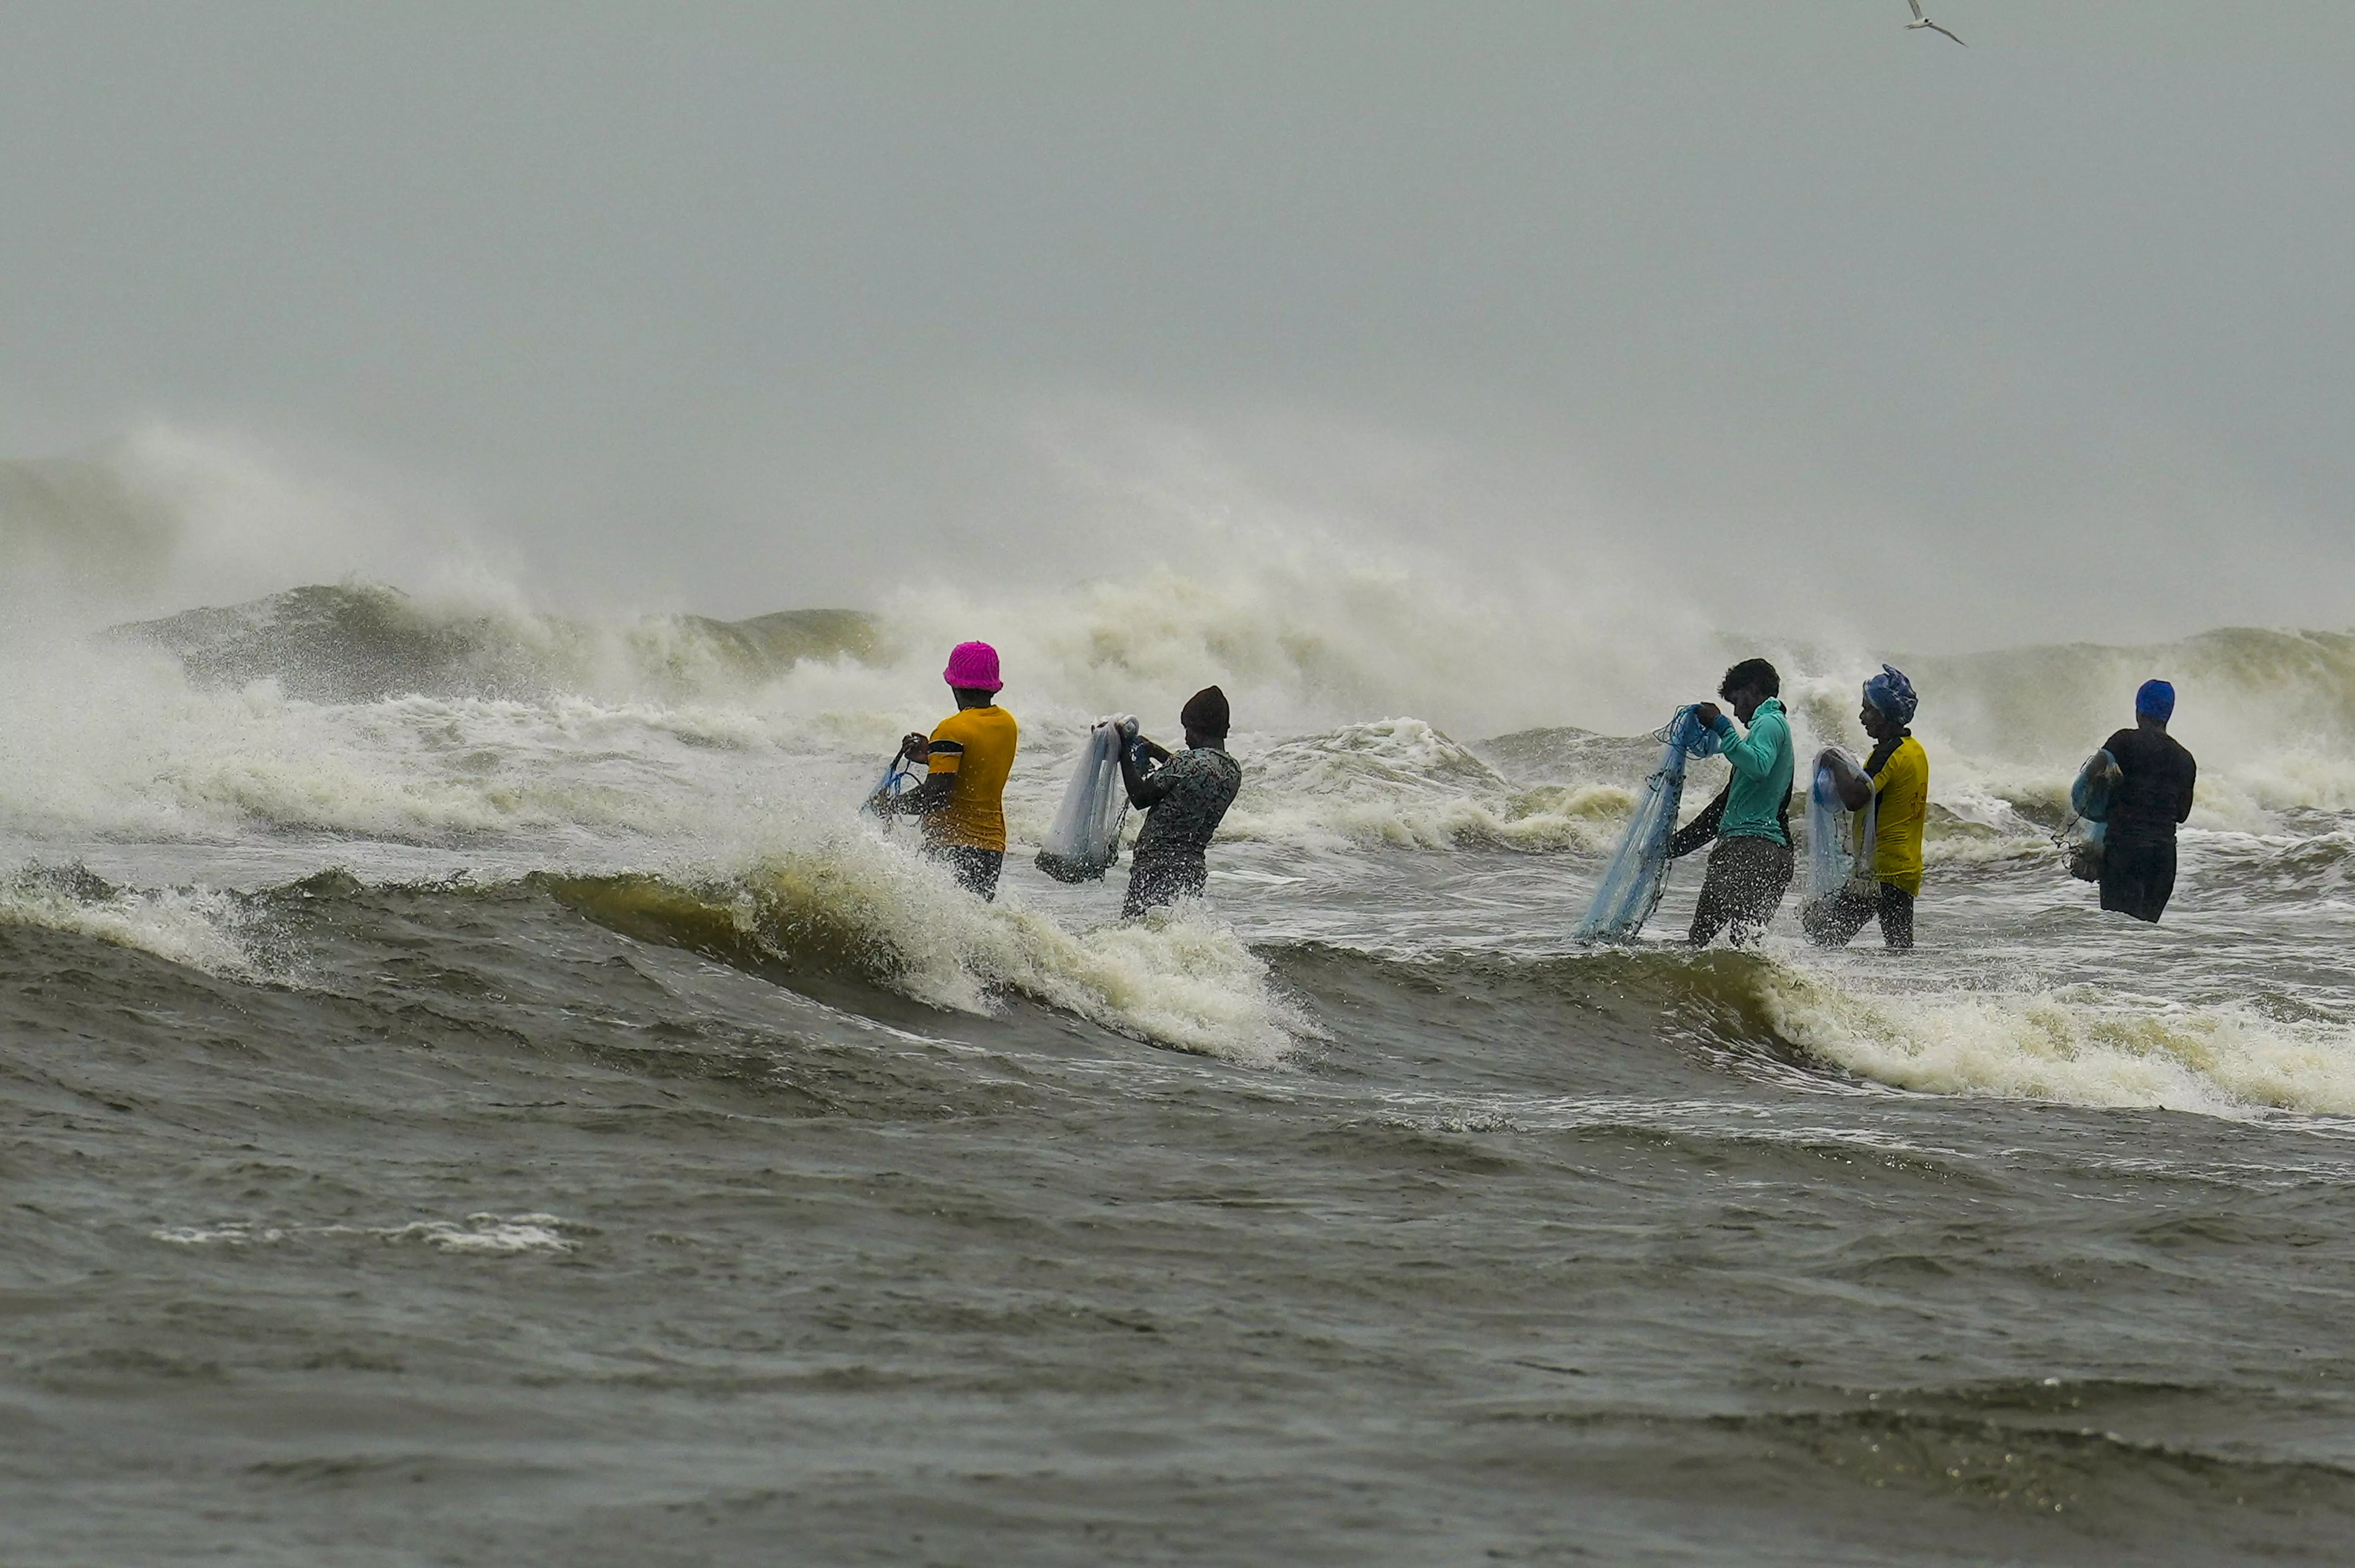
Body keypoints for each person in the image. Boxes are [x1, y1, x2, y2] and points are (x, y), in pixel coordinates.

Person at [869, 641, 1020, 900]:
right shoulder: (1007, 724)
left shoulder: (951, 729)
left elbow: (936, 796)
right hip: (992, 848)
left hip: (952, 845)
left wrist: (890, 806)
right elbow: (976, 766)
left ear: (953, 683)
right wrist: (932, 757)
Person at [1669, 658, 1795, 947]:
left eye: (1737, 702)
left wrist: (1722, 727)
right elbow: (1721, 810)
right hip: (1768, 853)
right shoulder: (1768, 730)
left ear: (1753, 689)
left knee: (1701, 943)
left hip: (1750, 849)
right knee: (1745, 946)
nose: (1737, 713)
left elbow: (1759, 766)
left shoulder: (1769, 723)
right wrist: (1674, 847)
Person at [1803, 665, 1930, 950]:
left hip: (1880, 872)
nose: (1862, 718)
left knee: (1824, 936)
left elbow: (1857, 797)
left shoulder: (1888, 752)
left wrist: (1833, 759)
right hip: (1905, 868)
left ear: (1885, 714)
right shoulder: (1915, 750)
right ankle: (1899, 994)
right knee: (1899, 948)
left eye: (1868, 710)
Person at [1118, 685, 1243, 918]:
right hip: (1192, 871)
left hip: (1155, 868)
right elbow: (1196, 773)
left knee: (1138, 934)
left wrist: (1124, 750)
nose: (1186, 737)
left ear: (1199, 728)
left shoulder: (1187, 763)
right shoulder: (1232, 771)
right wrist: (1156, 752)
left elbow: (1140, 796)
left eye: (1188, 729)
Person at [2095, 679, 2196, 923]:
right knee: (2144, 943)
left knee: (2118, 935)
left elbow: (2092, 781)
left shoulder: (2123, 742)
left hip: (2125, 853)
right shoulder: (2185, 759)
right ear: (2168, 714)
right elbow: (2182, 814)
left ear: (2139, 710)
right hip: (2163, 861)